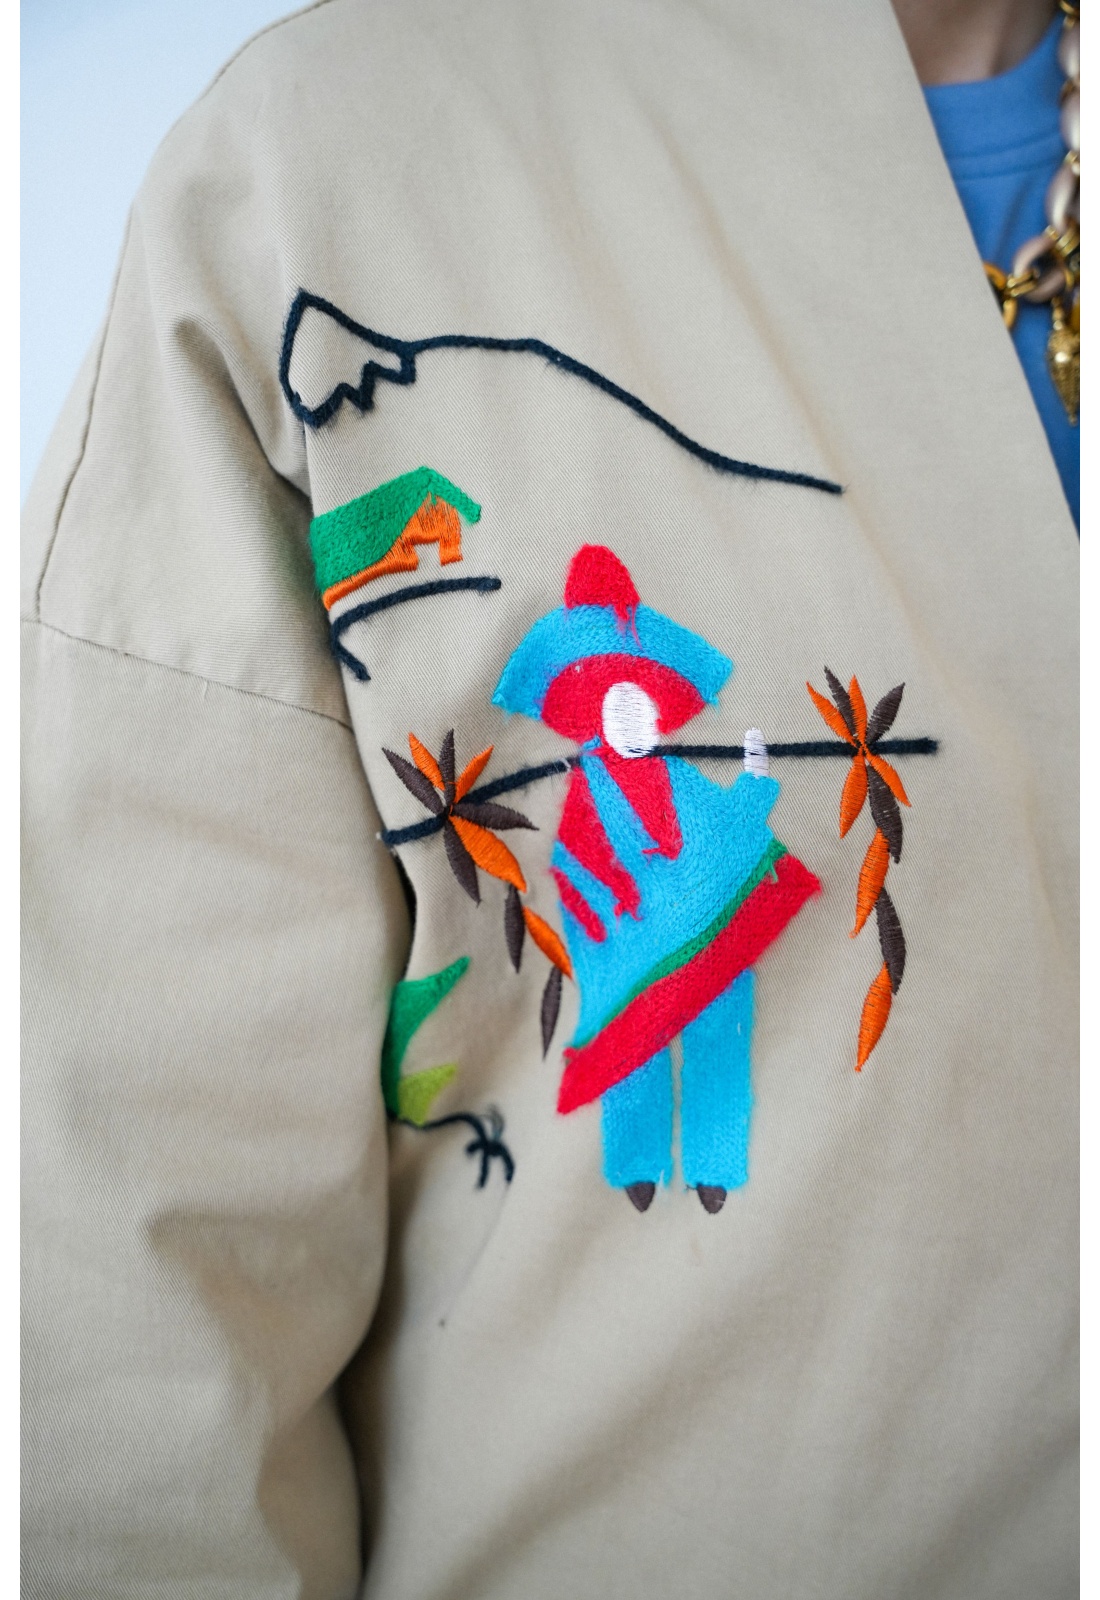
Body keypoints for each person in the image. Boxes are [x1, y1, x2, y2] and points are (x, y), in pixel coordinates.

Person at [22, 1, 1078, 1596]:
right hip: (645, 985)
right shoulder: (326, 162)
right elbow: (138, 1335)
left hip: (699, 931)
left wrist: (736, 808)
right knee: (664, 1078)